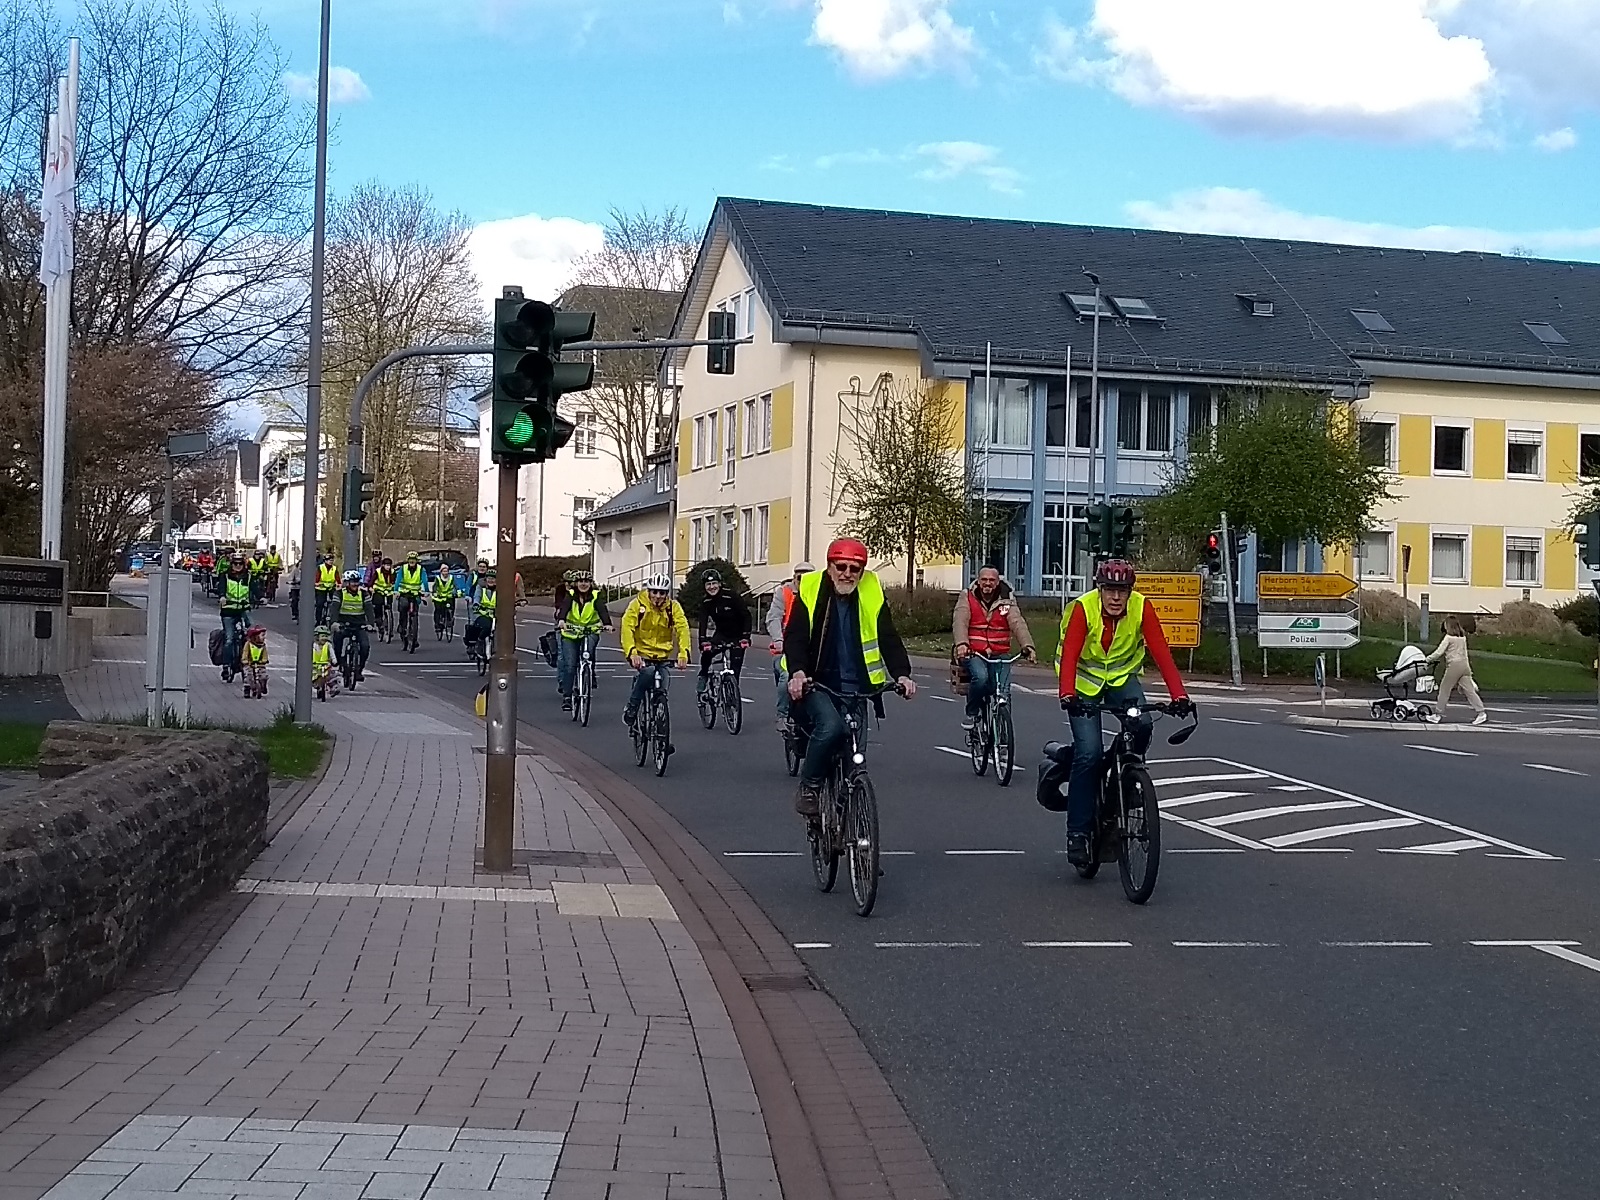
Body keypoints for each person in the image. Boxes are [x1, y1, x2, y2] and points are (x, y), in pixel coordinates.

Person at [1056, 559, 1193, 868]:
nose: (1116, 598)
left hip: (1121, 680)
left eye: (1122, 591)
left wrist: (1179, 696)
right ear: (1099, 589)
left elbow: (1161, 651)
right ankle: (1077, 834)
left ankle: (1127, 778)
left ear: (1130, 592)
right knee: (1089, 754)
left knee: (1143, 725)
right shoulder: (1083, 609)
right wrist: (1068, 694)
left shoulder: (1141, 608)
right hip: (1083, 684)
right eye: (1109, 590)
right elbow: (1070, 656)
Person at [784, 539, 917, 816]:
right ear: (830, 567)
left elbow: (888, 637)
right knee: (831, 728)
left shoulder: (871, 592)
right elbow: (795, 635)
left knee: (856, 758)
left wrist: (902, 675)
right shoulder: (810, 588)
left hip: (857, 686)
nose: (847, 573)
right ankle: (809, 787)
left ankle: (850, 820)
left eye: (854, 569)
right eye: (841, 566)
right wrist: (798, 672)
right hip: (817, 682)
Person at [954, 565, 1037, 731]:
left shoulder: (1006, 599)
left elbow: (1017, 622)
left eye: (992, 580)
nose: (987, 583)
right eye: (984, 579)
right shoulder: (967, 596)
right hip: (975, 652)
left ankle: (1003, 734)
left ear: (997, 582)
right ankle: (972, 712)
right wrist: (962, 644)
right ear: (978, 581)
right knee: (981, 678)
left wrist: (1028, 646)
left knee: (1003, 692)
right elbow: (960, 621)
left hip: (1000, 652)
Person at [620, 575, 690, 730]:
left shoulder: (673, 607)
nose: (658, 596)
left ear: (667, 594)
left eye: (662, 593)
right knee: (648, 672)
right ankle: (632, 707)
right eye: (655, 592)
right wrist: (632, 652)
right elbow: (627, 628)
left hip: (662, 655)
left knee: (662, 690)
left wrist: (684, 653)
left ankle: (660, 734)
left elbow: (683, 629)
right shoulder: (637, 605)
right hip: (641, 653)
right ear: (649, 591)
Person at [556, 570, 613, 711]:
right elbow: (564, 608)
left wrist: (607, 624)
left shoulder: (595, 596)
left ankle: (590, 673)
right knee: (570, 664)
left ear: (590, 583)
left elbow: (602, 610)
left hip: (590, 630)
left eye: (586, 581)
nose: (583, 584)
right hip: (571, 632)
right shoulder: (570, 595)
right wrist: (562, 620)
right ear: (576, 583)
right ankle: (567, 697)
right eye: (581, 581)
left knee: (588, 652)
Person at [767, 562, 813, 731]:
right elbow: (773, 618)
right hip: (787, 648)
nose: (803, 581)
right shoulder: (784, 592)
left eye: (808, 578)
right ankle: (782, 715)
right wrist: (778, 640)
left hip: (812, 648)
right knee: (787, 676)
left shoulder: (819, 593)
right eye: (800, 577)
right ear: (794, 577)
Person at [696, 569, 751, 697]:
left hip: (738, 635)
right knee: (707, 653)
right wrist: (702, 641)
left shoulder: (731, 596)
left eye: (714, 583)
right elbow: (702, 622)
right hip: (721, 634)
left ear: (720, 584)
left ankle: (733, 696)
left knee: (735, 669)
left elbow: (746, 616)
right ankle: (703, 675)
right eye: (708, 585)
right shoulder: (706, 602)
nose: (712, 587)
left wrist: (746, 637)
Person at [1425, 614, 1488, 725]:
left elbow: (1439, 652)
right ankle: (1481, 712)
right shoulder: (1462, 638)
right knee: (1470, 691)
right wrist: (1469, 670)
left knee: (1444, 690)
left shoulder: (1448, 638)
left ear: (1448, 626)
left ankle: (1437, 715)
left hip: (1453, 666)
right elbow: (1465, 654)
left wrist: (1427, 659)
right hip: (1464, 665)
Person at [331, 570, 371, 680]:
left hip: (359, 624)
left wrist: (371, 624)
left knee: (365, 646)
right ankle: (339, 663)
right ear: (347, 583)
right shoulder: (339, 593)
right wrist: (334, 623)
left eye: (357, 581)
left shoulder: (363, 594)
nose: (355, 584)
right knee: (337, 641)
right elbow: (334, 609)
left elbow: (369, 609)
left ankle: (359, 670)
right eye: (353, 582)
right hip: (343, 623)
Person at [218, 554, 252, 680]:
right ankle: (226, 666)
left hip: (243, 610)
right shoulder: (225, 576)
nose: (238, 566)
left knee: (252, 633)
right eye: (235, 564)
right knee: (229, 639)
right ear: (231, 565)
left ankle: (252, 663)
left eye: (240, 564)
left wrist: (260, 596)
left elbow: (254, 589)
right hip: (228, 611)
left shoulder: (248, 577)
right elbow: (221, 588)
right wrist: (222, 596)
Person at [395, 551, 428, 647]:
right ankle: (402, 626)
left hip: (415, 594)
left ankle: (414, 637)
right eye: (410, 560)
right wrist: (396, 590)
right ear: (408, 560)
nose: (412, 562)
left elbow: (425, 581)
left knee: (415, 615)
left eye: (414, 560)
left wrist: (426, 591)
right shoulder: (403, 568)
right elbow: (398, 580)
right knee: (403, 608)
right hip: (404, 593)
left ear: (417, 561)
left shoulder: (421, 569)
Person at [464, 567, 499, 655]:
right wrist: (476, 604)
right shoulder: (480, 588)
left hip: (495, 615)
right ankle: (479, 642)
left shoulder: (499, 590)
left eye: (493, 578)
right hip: (482, 614)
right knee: (487, 626)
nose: (491, 580)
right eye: (489, 578)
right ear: (486, 579)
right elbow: (477, 597)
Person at [241, 625, 269, 697]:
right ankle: (247, 689)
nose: (264, 637)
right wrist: (245, 660)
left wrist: (264, 660)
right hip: (249, 664)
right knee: (248, 675)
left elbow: (265, 655)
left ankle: (263, 685)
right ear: (256, 636)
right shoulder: (248, 644)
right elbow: (245, 653)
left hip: (259, 664)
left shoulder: (263, 645)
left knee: (263, 675)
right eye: (262, 635)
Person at [431, 567, 457, 636]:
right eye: (444, 571)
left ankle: (450, 620)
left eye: (446, 571)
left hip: (448, 596)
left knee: (451, 607)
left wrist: (455, 593)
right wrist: (435, 593)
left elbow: (454, 586)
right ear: (441, 572)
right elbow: (435, 587)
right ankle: (437, 625)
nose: (445, 573)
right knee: (438, 610)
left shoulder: (451, 578)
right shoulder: (438, 578)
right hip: (439, 597)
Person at [314, 552, 339, 625]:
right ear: (325, 561)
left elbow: (337, 578)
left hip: (331, 588)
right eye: (329, 560)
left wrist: (339, 584)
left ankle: (333, 618)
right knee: (320, 604)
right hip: (321, 588)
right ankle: (318, 620)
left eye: (331, 560)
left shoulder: (334, 568)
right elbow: (317, 577)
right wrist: (317, 583)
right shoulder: (320, 567)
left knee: (335, 603)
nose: (330, 562)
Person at [311, 624, 337, 694]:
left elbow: (332, 653)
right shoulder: (313, 646)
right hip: (315, 666)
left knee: (331, 675)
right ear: (317, 637)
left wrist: (334, 660)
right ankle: (316, 685)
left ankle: (333, 688)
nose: (324, 638)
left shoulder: (328, 645)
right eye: (322, 636)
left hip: (326, 664)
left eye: (326, 636)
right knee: (312, 676)